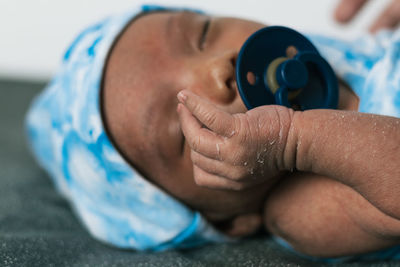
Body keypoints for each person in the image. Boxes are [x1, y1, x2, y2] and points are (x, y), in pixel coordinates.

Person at [25, 3, 400, 261]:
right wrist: (292, 140)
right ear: (227, 221)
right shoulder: (298, 213)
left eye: (203, 34)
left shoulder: (324, 57)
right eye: (182, 126)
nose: (216, 68)